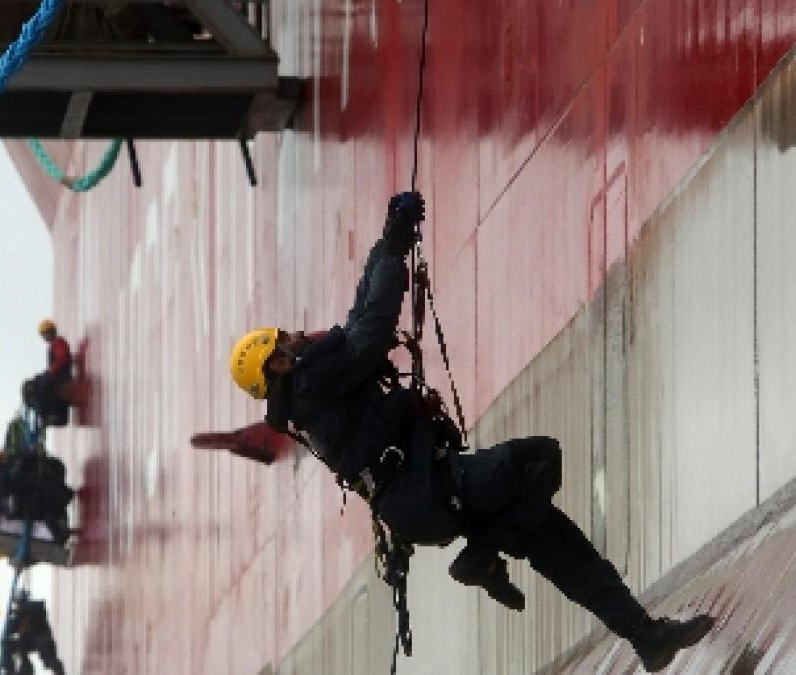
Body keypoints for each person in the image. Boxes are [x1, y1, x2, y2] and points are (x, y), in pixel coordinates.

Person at [227, 192, 713, 672]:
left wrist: (388, 242)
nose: (295, 334)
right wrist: (394, 247)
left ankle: (646, 636)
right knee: (539, 458)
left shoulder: (310, 389)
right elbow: (371, 329)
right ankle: (481, 555)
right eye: (283, 338)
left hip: (423, 494)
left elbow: (358, 316)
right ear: (277, 362)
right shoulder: (310, 381)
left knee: (555, 540)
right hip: (429, 489)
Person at [0, 590, 66, 675]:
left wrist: (22, 610)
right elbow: (9, 632)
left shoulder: (36, 607)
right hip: (29, 641)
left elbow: (37, 609)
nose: (18, 606)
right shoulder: (18, 617)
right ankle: (15, 671)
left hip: (41, 636)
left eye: (20, 603)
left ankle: (60, 672)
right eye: (17, 604)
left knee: (48, 658)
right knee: (10, 646)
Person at [24, 319, 73, 426]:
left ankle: (51, 414)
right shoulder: (54, 345)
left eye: (45, 334)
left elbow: (62, 358)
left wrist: (50, 372)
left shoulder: (58, 343)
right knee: (35, 383)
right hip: (58, 374)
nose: (44, 337)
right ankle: (45, 414)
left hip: (62, 375)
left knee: (43, 386)